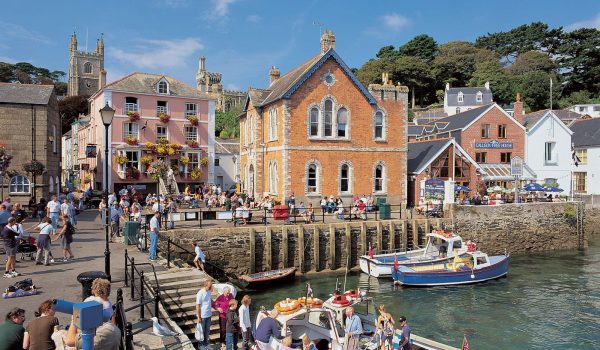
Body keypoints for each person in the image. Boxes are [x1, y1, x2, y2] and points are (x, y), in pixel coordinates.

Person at [196, 280, 213, 350]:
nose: (211, 287)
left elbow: (209, 300)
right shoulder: (200, 293)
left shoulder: (209, 291)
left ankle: (206, 343)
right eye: (210, 286)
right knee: (201, 331)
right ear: (206, 285)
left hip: (209, 314)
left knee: (207, 330)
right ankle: (200, 345)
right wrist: (199, 317)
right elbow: (197, 305)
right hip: (202, 315)